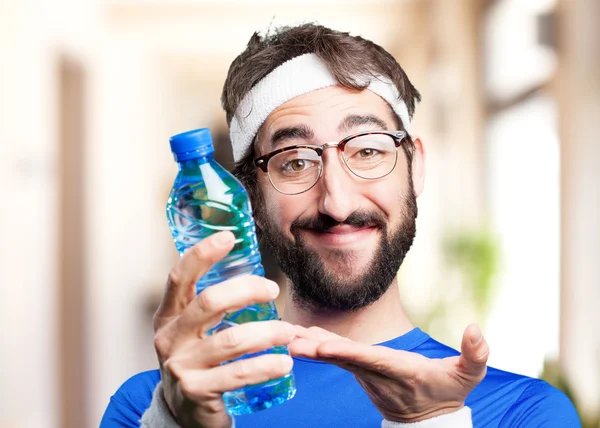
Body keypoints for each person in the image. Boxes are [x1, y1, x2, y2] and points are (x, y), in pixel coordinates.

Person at [101, 24, 580, 427]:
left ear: (416, 169)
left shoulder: (526, 413)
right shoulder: (154, 406)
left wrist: (432, 420)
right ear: (248, 195)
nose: (337, 201)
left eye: (368, 150)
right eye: (294, 162)